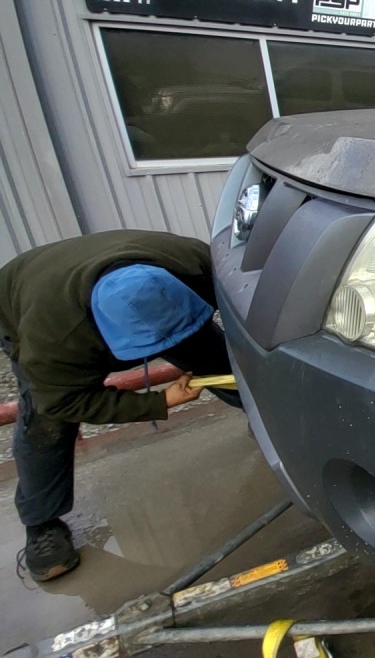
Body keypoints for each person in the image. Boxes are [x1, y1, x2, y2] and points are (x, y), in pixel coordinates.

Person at [0, 230, 240, 581]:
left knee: (225, 363)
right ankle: (42, 525)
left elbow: (251, 305)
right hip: (27, 302)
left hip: (134, 278)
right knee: (45, 421)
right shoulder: (55, 344)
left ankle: (276, 429)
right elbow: (68, 401)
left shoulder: (195, 263)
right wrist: (159, 401)